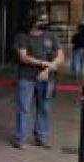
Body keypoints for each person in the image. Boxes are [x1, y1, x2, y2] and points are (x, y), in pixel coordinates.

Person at [13, 14, 64, 148]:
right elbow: (23, 57)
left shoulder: (51, 36)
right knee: (23, 108)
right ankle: (20, 139)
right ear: (33, 21)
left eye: (46, 19)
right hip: (26, 78)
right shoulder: (22, 36)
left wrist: (47, 69)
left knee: (44, 108)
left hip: (47, 78)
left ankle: (41, 137)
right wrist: (43, 63)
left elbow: (60, 57)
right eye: (41, 20)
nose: (45, 22)